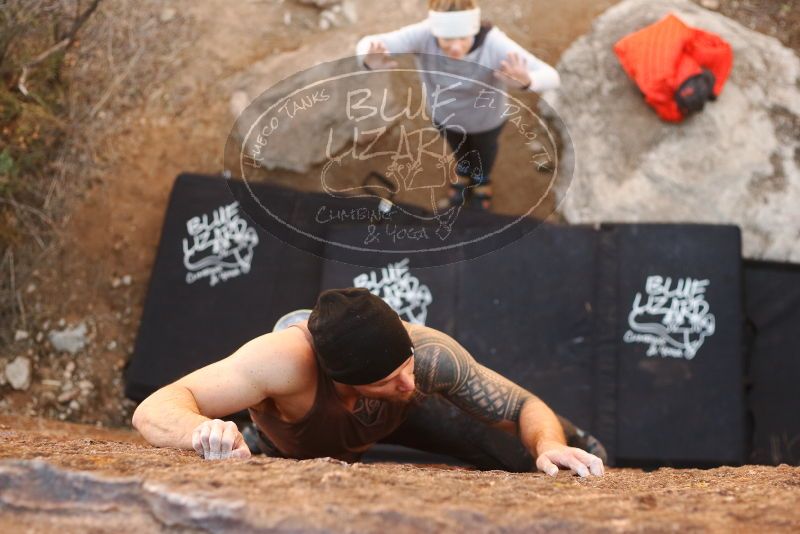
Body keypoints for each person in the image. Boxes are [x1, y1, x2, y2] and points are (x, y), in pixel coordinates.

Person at [133, 288, 605, 477]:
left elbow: (522, 405)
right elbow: (155, 407)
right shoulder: (280, 362)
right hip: (296, 443)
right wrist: (201, 433)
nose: (408, 380)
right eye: (389, 378)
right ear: (343, 381)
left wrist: (548, 444)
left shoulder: (427, 358)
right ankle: (260, 436)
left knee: (519, 456)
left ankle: (581, 443)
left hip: (396, 423)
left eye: (406, 365)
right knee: (272, 449)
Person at [355, 0, 560, 211]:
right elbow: (370, 43)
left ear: (475, 28)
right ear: (435, 31)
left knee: (484, 153)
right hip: (445, 117)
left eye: (463, 38)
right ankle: (463, 174)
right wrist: (368, 61)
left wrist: (527, 82)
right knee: (459, 150)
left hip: (486, 122)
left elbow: (552, 76)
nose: (455, 48)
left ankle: (481, 180)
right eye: (446, 40)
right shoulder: (424, 34)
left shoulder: (494, 43)